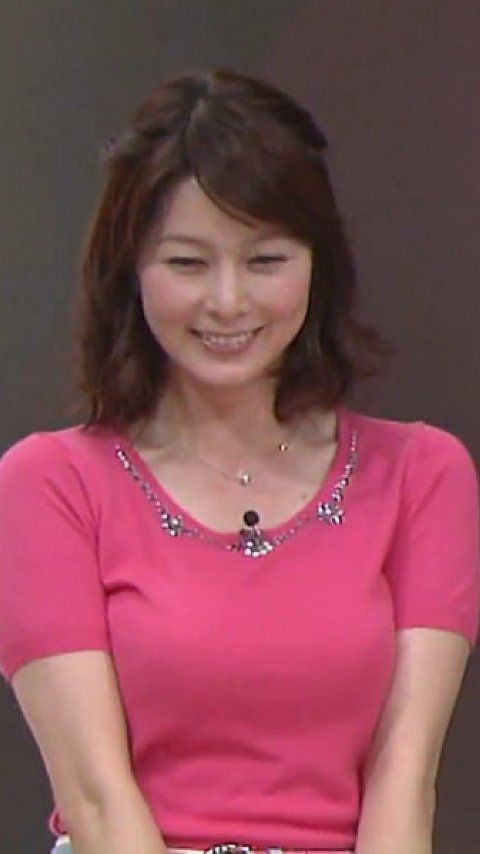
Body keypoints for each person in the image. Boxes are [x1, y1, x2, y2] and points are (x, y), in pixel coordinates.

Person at [0, 66, 478, 854]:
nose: (228, 302)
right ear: (130, 272)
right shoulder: (51, 484)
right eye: (188, 263)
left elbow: (405, 781)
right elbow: (95, 798)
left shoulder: (422, 474)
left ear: (318, 264)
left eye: (265, 261)